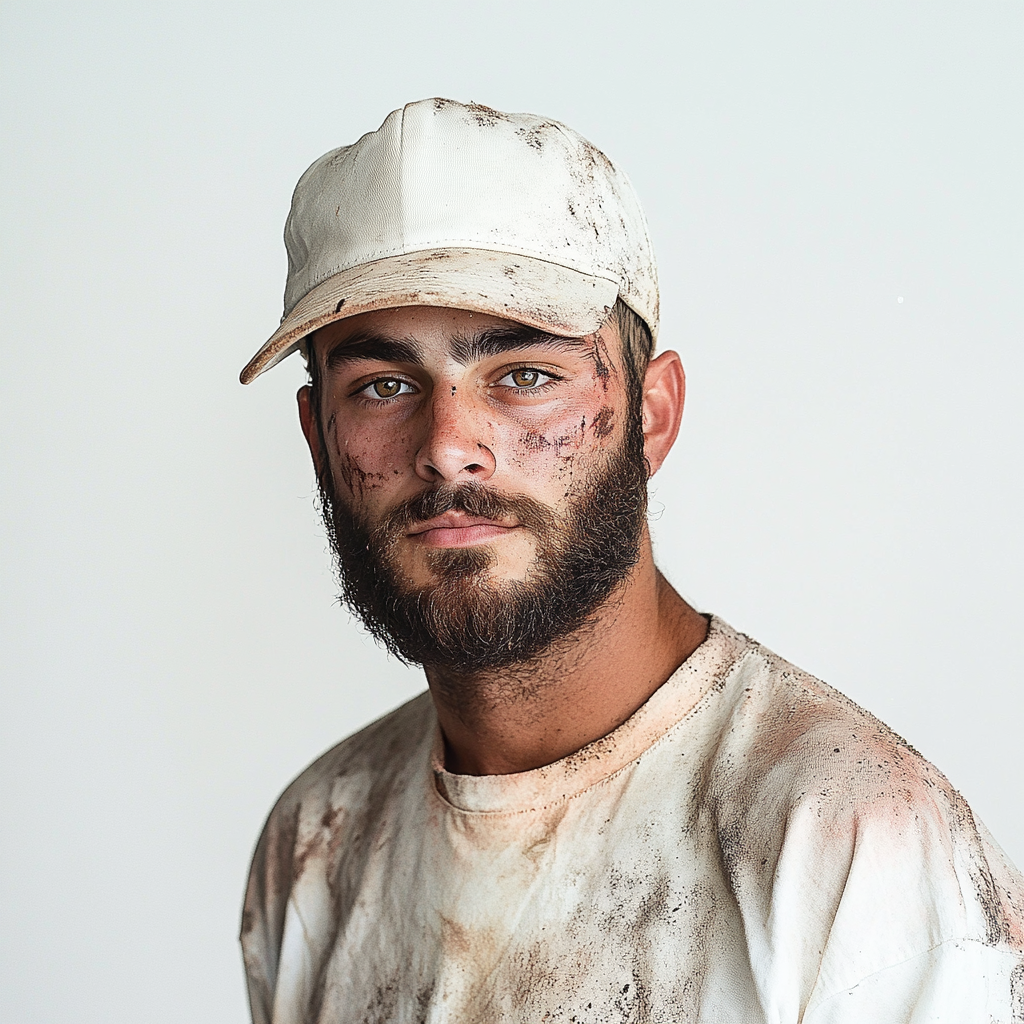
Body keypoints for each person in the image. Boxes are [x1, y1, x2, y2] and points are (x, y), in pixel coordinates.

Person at [238, 98, 1024, 1023]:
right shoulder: (317, 842)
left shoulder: (853, 850)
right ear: (318, 439)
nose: (449, 444)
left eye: (523, 375)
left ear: (651, 414)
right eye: (384, 385)